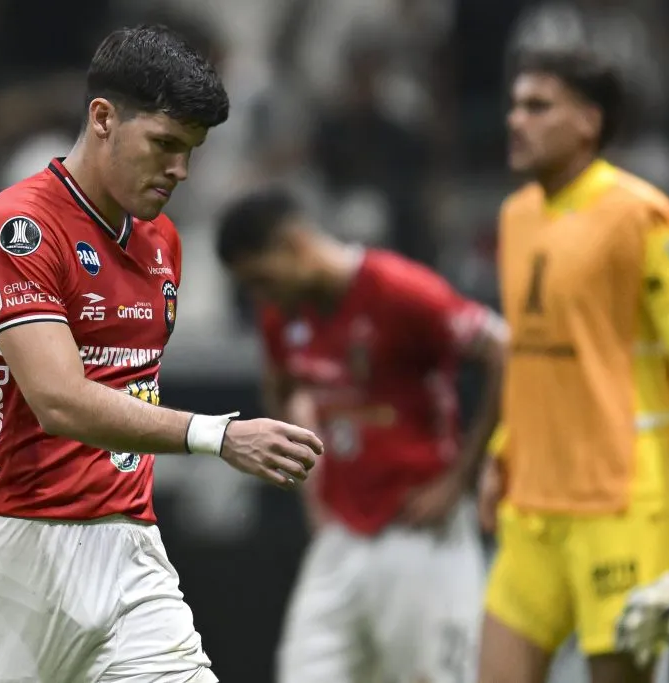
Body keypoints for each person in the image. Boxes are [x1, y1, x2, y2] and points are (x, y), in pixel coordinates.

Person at [0, 25, 324, 683]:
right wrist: (217, 435)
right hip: (12, 554)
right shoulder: (20, 229)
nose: (180, 170)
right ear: (104, 118)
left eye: (192, 151)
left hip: (128, 547)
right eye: (165, 145)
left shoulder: (162, 241)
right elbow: (58, 399)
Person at [477, 47, 669, 683]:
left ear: (588, 122)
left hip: (620, 506)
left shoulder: (639, 215)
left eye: (538, 106)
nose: (515, 120)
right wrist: (502, 451)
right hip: (534, 508)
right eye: (514, 105)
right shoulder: (516, 217)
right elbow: (537, 355)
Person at [215, 189, 508, 683]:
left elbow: (502, 350)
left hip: (420, 531)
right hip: (341, 535)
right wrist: (309, 478)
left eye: (263, 279)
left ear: (294, 245)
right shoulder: (282, 313)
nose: (263, 297)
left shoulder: (400, 290)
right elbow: (281, 386)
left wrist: (460, 478)